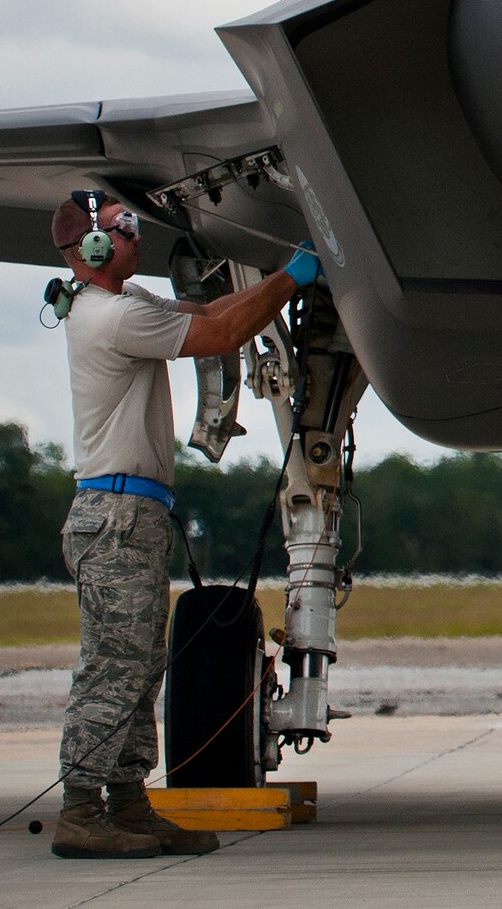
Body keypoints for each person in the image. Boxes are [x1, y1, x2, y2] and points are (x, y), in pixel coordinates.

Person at [45, 190, 318, 859]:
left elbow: (207, 312)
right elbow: (221, 336)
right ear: (94, 247)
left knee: (139, 666)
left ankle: (130, 804)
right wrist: (292, 277)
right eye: (123, 227)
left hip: (131, 514)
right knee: (115, 666)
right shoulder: (109, 317)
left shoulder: (125, 305)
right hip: (117, 516)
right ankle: (83, 807)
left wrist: (271, 288)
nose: (137, 235)